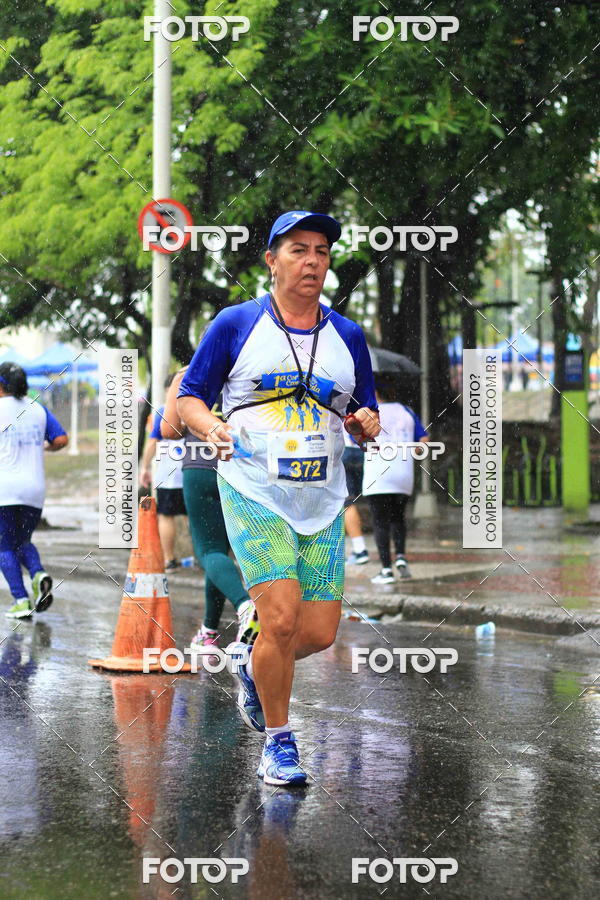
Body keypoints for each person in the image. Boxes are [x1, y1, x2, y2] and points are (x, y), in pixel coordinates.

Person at [177, 209, 380, 786]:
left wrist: (367, 422)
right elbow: (188, 397)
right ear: (271, 261)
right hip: (253, 489)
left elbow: (363, 410)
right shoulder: (235, 324)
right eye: (298, 250)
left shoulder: (348, 336)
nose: (312, 260)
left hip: (322, 499)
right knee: (282, 618)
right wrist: (209, 425)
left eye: (320, 250)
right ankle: (279, 741)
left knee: (316, 633)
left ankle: (251, 661)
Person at [160, 367, 258, 655]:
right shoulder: (247, 369)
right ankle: (209, 632)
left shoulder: (187, 374)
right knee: (221, 553)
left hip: (201, 468)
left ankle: (245, 606)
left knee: (208, 552)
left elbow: (169, 430)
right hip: (243, 469)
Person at [0, 362, 68, 618]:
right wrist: (43, 449)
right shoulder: (37, 408)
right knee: (22, 541)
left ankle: (21, 601)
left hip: (3, 489)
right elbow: (61, 439)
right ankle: (38, 574)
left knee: (3, 546)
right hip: (34, 490)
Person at [362, 383, 429, 584]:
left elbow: (358, 440)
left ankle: (386, 570)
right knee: (398, 518)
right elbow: (423, 442)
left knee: (380, 523)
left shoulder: (369, 414)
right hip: (403, 476)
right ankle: (400, 556)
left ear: (375, 392)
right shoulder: (406, 411)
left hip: (378, 477)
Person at [139, 374, 186, 570]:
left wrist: (145, 467)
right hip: (194, 471)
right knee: (196, 515)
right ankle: (204, 556)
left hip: (169, 475)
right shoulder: (199, 407)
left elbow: (152, 442)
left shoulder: (163, 411)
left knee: (166, 515)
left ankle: (170, 559)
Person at [342, 429, 369, 565]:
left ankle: (360, 550)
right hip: (365, 451)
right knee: (369, 499)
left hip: (344, 450)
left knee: (347, 502)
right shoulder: (370, 408)